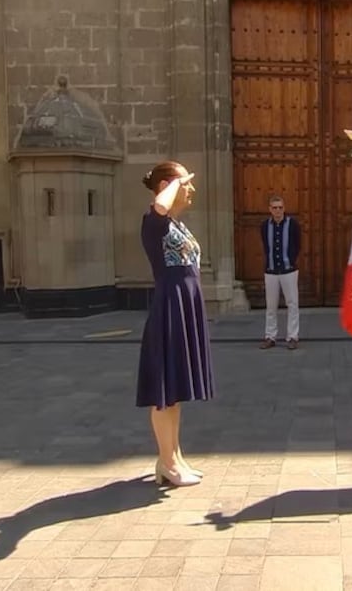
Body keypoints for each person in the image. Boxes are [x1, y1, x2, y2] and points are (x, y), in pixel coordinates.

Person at [136, 161, 214, 487]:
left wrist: (178, 181)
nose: (192, 189)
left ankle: (173, 457)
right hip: (170, 308)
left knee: (175, 391)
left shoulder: (175, 225)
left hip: (185, 309)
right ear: (169, 185)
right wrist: (174, 183)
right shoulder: (154, 224)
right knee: (163, 393)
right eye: (187, 183)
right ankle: (167, 462)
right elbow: (159, 205)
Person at [260, 195, 302, 350]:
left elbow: (297, 244)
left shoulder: (292, 224)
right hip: (271, 270)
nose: (277, 210)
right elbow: (266, 245)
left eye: (280, 207)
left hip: (289, 270)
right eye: (274, 207)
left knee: (292, 303)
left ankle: (292, 336)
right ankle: (270, 336)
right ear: (270, 209)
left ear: (284, 208)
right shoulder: (265, 226)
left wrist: (290, 259)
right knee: (271, 306)